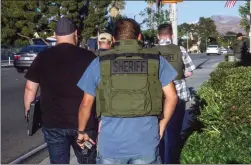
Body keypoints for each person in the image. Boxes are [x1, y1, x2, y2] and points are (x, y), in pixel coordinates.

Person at [76, 18, 178, 164]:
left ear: (114, 38)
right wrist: (162, 124)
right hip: (146, 143)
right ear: (139, 37)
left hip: (111, 146)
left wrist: (81, 132)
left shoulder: (101, 61)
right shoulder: (155, 60)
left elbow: (86, 103)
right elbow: (172, 96)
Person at [23, 17, 98, 164]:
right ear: (75, 34)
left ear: (55, 34)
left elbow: (30, 88)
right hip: (84, 125)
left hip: (53, 124)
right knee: (88, 161)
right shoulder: (89, 57)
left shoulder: (43, 57)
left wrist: (29, 114)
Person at [153, 23, 196, 164]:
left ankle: (159, 158)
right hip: (178, 95)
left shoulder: (151, 51)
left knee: (158, 131)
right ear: (171, 35)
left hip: (157, 96)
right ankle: (171, 160)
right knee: (173, 131)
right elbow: (190, 70)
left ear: (158, 36)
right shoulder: (180, 49)